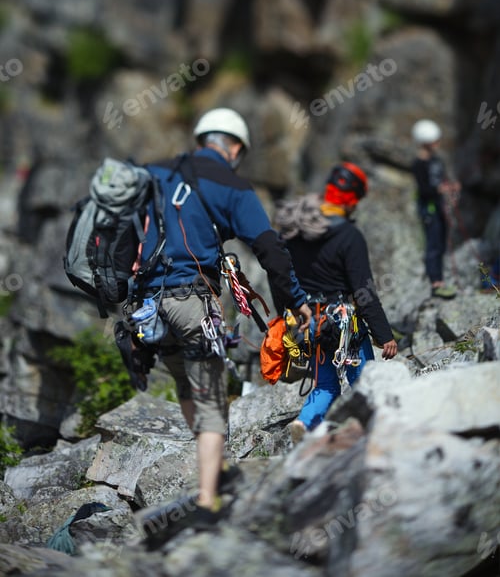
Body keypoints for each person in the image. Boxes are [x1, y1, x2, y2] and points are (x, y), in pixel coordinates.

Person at [136, 107, 311, 534]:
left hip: (146, 307)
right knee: (212, 397)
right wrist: (294, 302)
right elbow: (269, 249)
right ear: (233, 147)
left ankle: (221, 466)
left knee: (185, 384)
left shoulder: (156, 171)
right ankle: (208, 503)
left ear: (201, 138)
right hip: (192, 301)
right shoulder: (230, 183)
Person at [273, 162, 398, 443]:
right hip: (344, 324)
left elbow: (280, 275)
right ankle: (374, 432)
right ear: (352, 199)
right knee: (362, 381)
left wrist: (288, 315)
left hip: (310, 321)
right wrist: (384, 335)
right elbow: (363, 291)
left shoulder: (295, 231)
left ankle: (304, 423)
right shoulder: (348, 236)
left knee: (327, 385)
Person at [411, 119, 460, 299]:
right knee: (433, 244)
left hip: (439, 207)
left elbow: (442, 179)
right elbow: (423, 190)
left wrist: (451, 186)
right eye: (435, 140)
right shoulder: (418, 164)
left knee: (440, 243)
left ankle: (440, 279)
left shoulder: (437, 161)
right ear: (426, 142)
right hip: (429, 209)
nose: (438, 143)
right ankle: (436, 283)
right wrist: (440, 189)